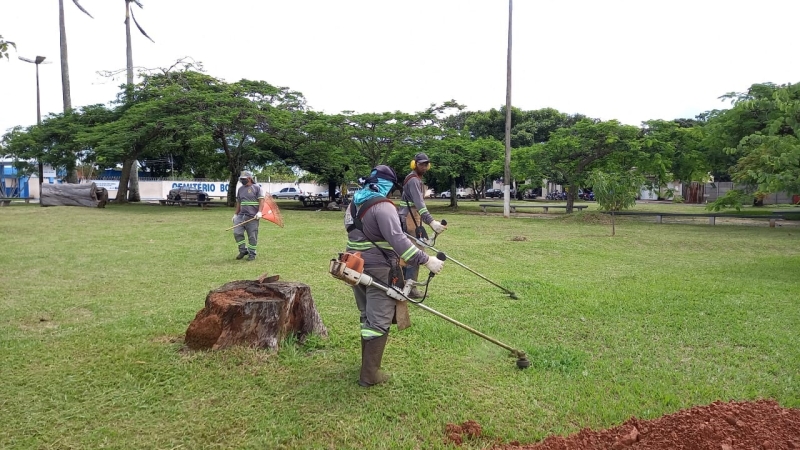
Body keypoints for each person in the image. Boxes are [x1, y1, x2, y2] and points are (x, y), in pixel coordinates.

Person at [345, 165, 444, 387]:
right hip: (379, 268)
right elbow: (398, 241)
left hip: (354, 265)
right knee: (379, 320)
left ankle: (366, 364)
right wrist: (427, 260)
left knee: (366, 315)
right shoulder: (383, 206)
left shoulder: (354, 202)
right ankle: (370, 374)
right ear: (388, 185)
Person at [398, 153, 447, 298]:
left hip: (414, 217)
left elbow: (418, 203)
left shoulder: (416, 179)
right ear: (414, 164)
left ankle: (404, 286)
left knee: (411, 252)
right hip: (409, 218)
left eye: (426, 164)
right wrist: (431, 221)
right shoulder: (413, 180)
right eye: (421, 164)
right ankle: (409, 289)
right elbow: (419, 205)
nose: (424, 167)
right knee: (414, 252)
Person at [232, 170, 265, 261]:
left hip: (253, 217)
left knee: (252, 236)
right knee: (237, 232)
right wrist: (236, 214)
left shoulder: (257, 188)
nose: (242, 181)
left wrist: (259, 212)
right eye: (241, 179)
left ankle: (252, 253)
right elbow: (239, 202)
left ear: (249, 178)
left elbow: (261, 201)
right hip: (241, 216)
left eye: (244, 179)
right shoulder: (240, 189)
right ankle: (243, 250)